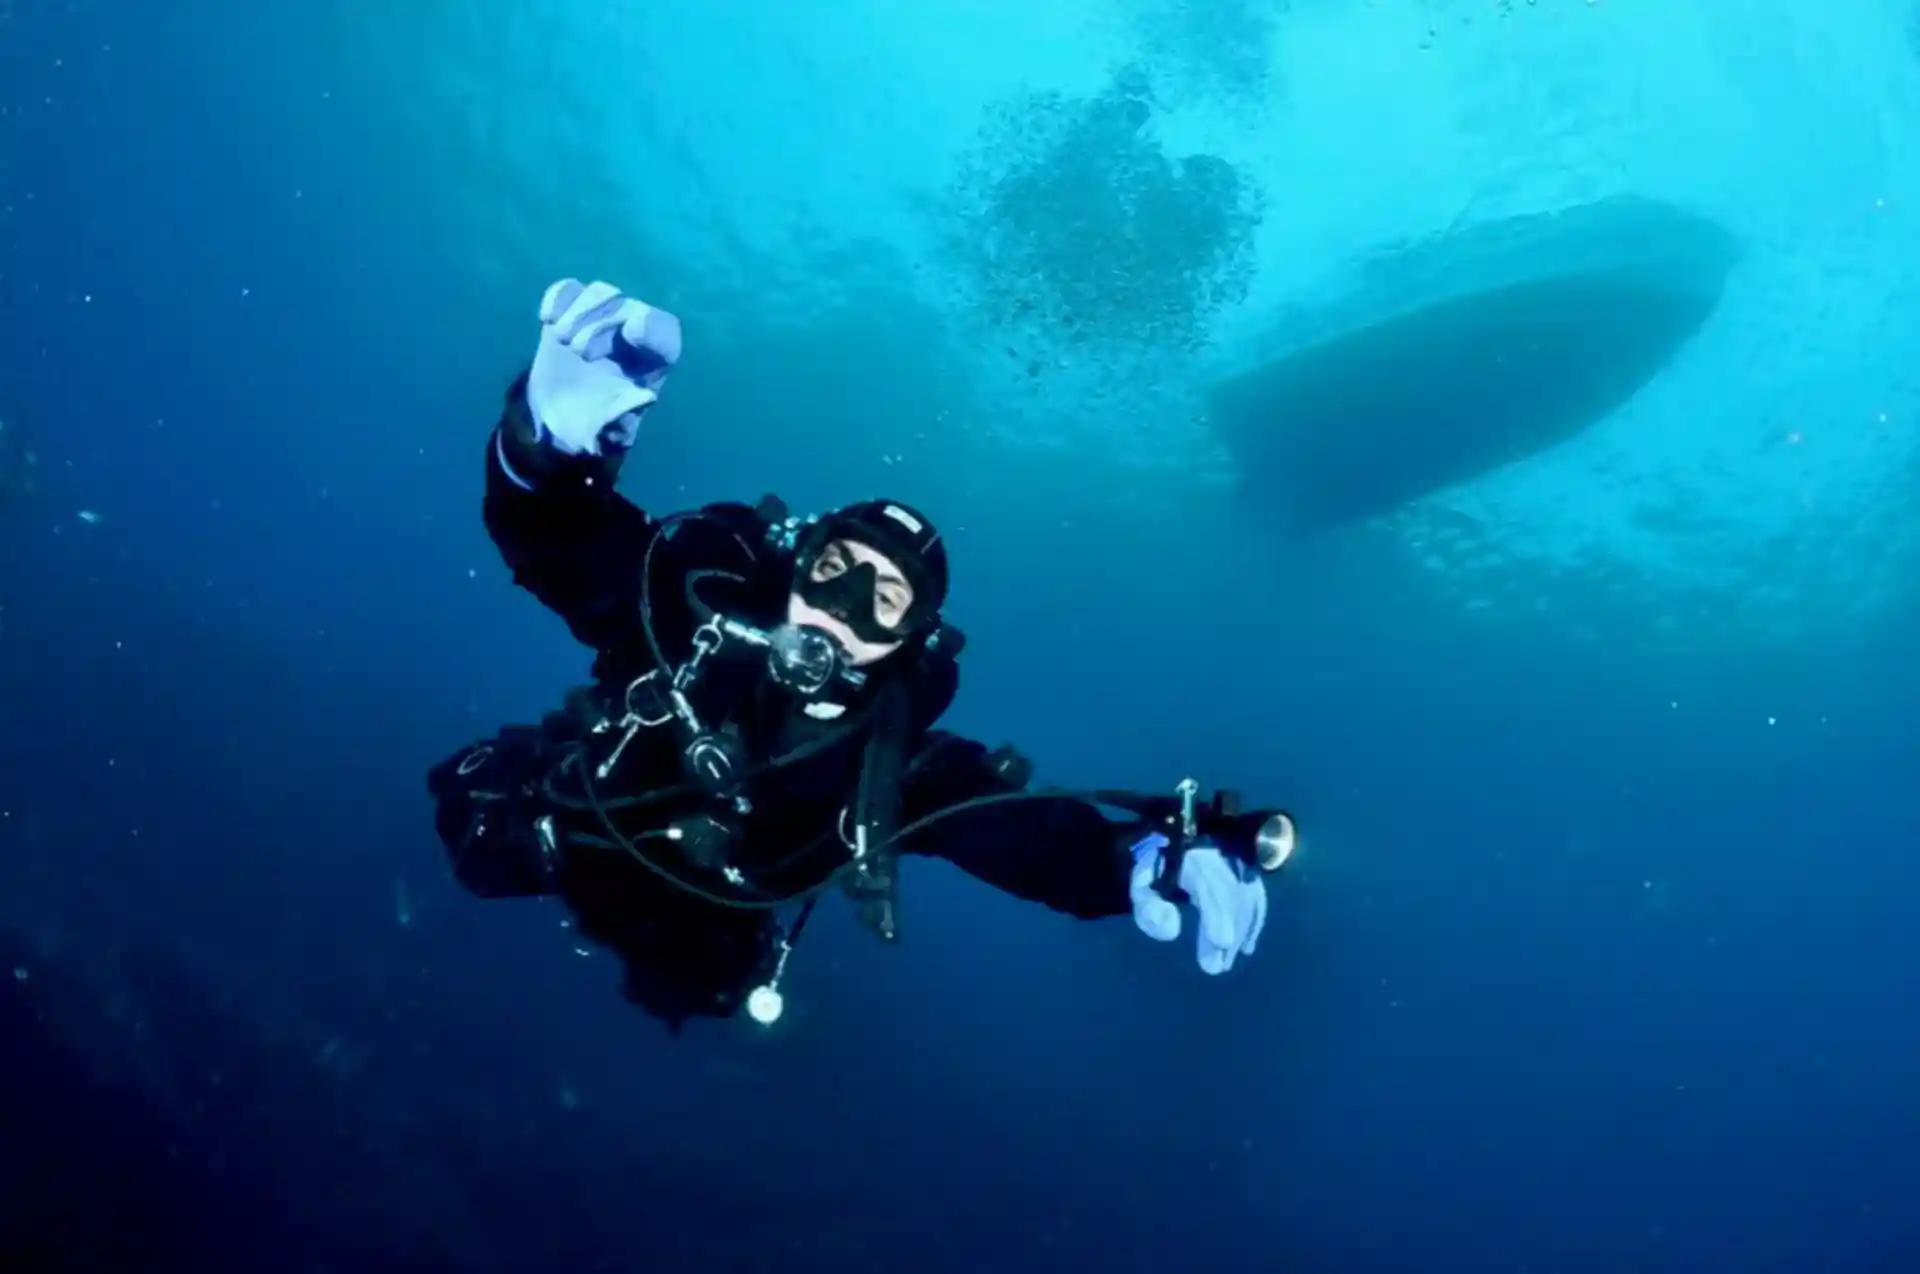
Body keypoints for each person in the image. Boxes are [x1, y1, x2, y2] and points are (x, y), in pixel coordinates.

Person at [427, 279, 1298, 1029]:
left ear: (905, 644)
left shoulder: (899, 765)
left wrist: (1143, 862)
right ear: (794, 564)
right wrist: (541, 445)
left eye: (881, 602)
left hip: (709, 916)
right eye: (835, 572)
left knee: (697, 989)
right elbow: (559, 543)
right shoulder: (687, 618)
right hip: (569, 830)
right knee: (473, 842)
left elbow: (1028, 839)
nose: (840, 612)